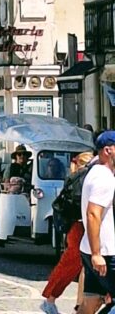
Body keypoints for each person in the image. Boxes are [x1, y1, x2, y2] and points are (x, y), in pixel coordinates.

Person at [40, 150, 94, 314]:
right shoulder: (82, 179)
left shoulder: (75, 178)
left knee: (80, 266)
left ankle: (78, 303)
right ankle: (52, 299)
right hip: (81, 226)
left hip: (78, 226)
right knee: (73, 264)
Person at [78, 132, 115, 314]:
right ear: (108, 150)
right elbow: (93, 213)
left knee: (91, 302)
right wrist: (96, 254)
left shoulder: (95, 172)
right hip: (105, 253)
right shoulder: (104, 178)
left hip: (89, 248)